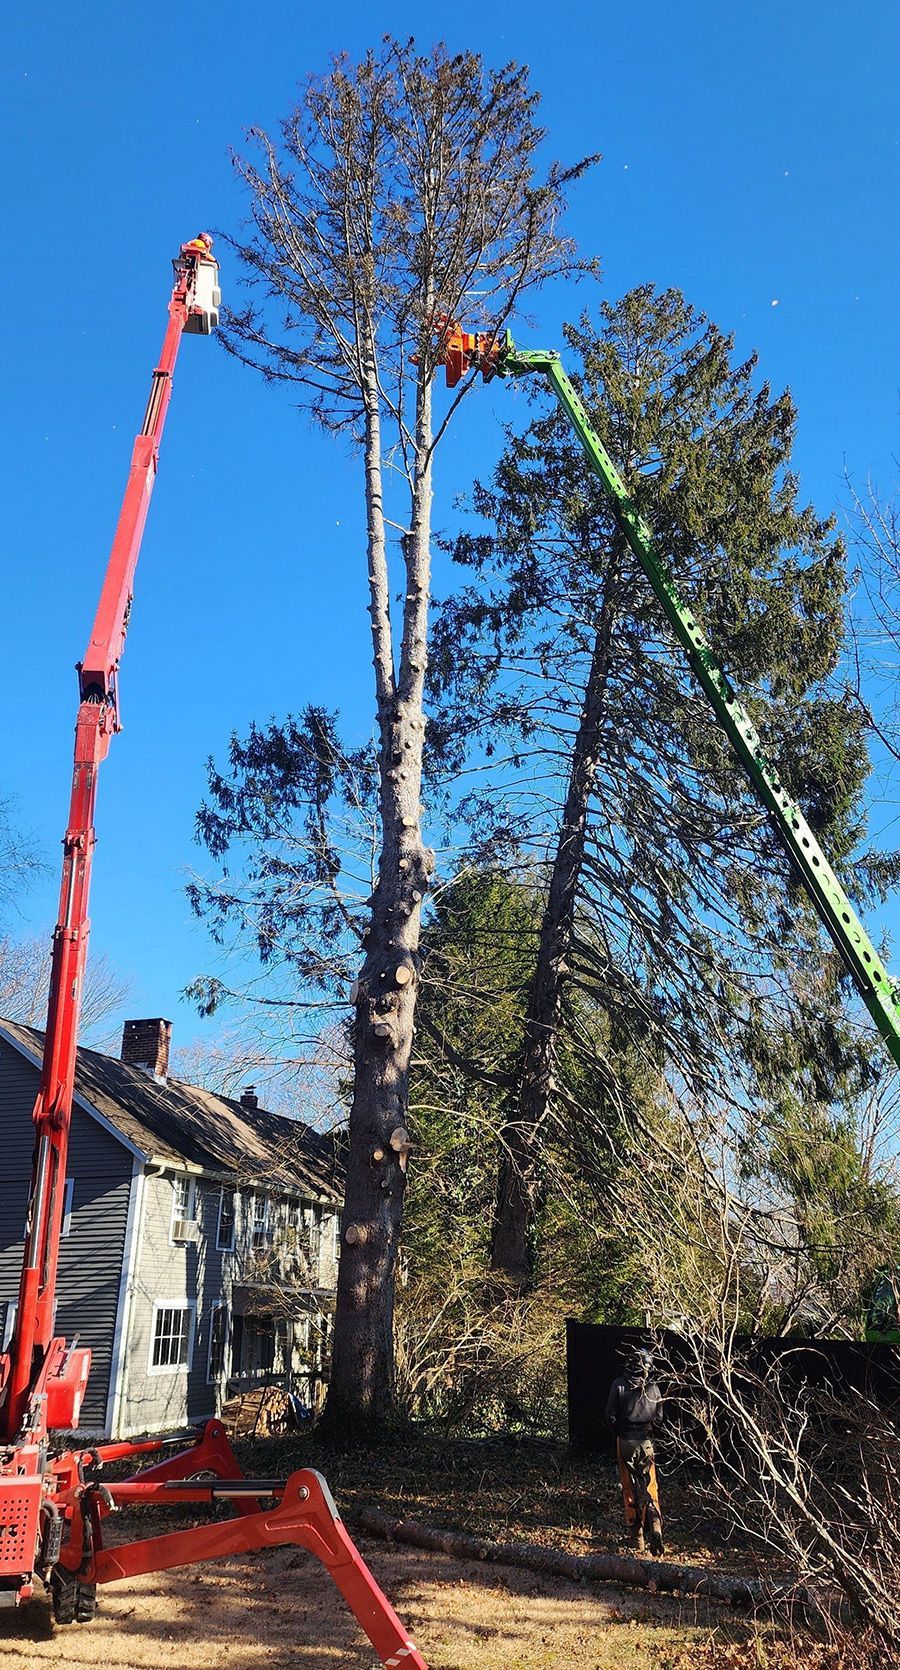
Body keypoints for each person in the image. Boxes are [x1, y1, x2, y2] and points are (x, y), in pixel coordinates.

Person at [605, 1345, 664, 1555]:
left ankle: (637, 1536)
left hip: (625, 1441)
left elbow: (610, 1416)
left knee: (628, 1487)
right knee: (650, 1486)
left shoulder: (619, 1385)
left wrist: (618, 1433)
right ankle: (656, 1525)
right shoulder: (654, 1387)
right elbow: (659, 1418)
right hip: (646, 1442)